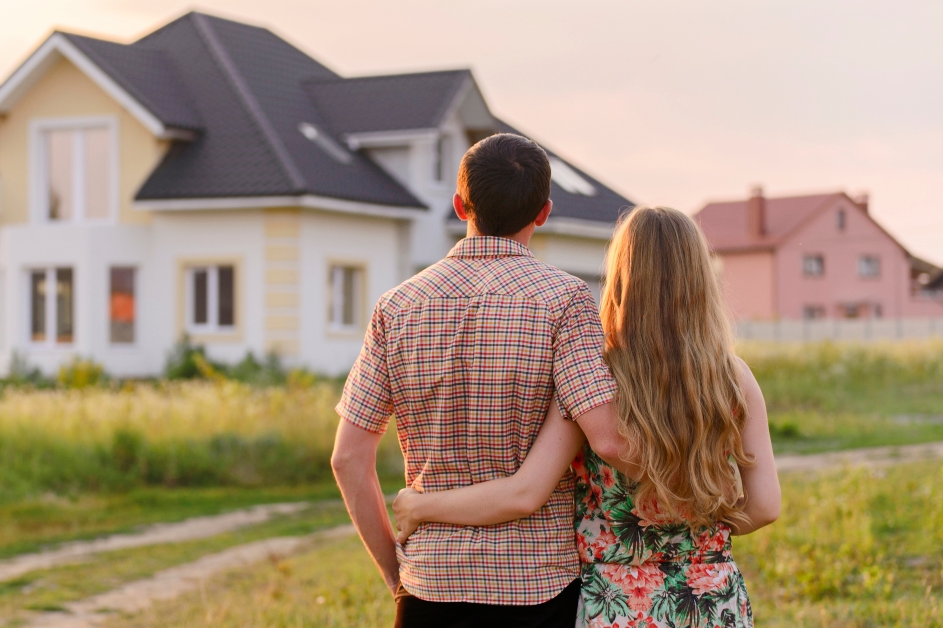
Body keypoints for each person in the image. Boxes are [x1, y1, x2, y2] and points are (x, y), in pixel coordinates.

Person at [393, 205, 782, 627]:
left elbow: (523, 493)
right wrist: (695, 533)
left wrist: (421, 506)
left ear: (620, 279)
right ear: (701, 280)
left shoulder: (591, 378)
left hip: (616, 603)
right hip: (712, 599)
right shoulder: (734, 379)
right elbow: (764, 507)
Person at [332, 133, 626, 627]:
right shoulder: (567, 301)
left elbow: (347, 459)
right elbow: (610, 438)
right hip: (537, 586)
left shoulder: (396, 307)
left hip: (429, 585)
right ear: (544, 212)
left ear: (459, 204)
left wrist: (395, 576)